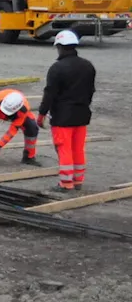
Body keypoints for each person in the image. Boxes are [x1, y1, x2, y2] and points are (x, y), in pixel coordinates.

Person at [37, 30, 96, 190]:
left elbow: (50, 93)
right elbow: (91, 90)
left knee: (64, 149)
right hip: (82, 114)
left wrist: (41, 113)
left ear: (60, 47)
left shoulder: (57, 68)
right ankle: (78, 181)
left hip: (62, 117)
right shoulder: (88, 66)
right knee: (78, 149)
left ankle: (65, 184)